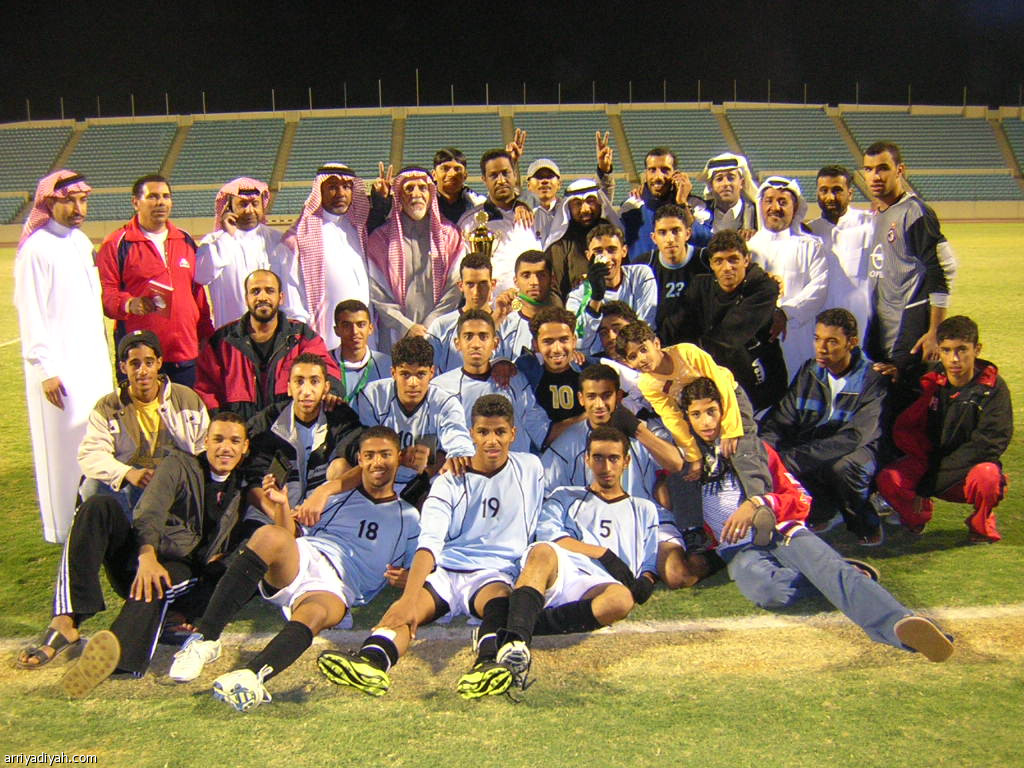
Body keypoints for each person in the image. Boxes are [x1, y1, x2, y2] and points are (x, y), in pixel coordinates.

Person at [667, 377, 954, 663]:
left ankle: (899, 625)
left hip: (781, 531)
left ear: (724, 410)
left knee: (830, 570)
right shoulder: (685, 461)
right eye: (696, 414)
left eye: (711, 411)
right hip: (738, 549)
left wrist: (760, 504)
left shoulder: (752, 448)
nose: (706, 421)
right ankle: (838, 574)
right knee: (767, 591)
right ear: (686, 419)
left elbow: (800, 498)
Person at [166, 427, 420, 712]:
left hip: (338, 586)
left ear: (398, 457)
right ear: (359, 459)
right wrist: (282, 505)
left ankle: (252, 676)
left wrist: (407, 577)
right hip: (306, 556)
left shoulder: (409, 518)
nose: (377, 462)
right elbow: (291, 535)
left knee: (316, 614)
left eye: (385, 455)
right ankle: (206, 639)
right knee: (268, 535)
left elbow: (418, 568)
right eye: (369, 455)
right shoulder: (337, 498)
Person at [316, 394, 545, 699]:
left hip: (494, 574)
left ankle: (487, 663)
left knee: (500, 602)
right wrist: (408, 597)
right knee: (409, 609)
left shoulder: (531, 468)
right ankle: (372, 660)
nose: (492, 440)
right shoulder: (449, 481)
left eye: (500, 432)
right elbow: (429, 543)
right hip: (448, 570)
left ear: (513, 434)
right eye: (483, 432)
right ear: (471, 434)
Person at [20, 413, 251, 695]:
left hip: (183, 569)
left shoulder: (244, 486)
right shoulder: (180, 465)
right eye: (218, 439)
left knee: (158, 582)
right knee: (97, 507)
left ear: (245, 447)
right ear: (205, 441)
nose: (225, 448)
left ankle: (113, 657)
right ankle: (66, 620)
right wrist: (146, 556)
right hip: (142, 554)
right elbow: (150, 511)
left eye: (234, 441)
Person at [488, 425, 659, 688]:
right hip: (564, 569)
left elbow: (649, 564)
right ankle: (516, 642)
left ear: (626, 461)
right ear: (586, 459)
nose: (606, 466)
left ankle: (519, 625)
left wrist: (645, 581)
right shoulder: (565, 496)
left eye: (613, 458)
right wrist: (603, 554)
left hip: (599, 585)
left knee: (622, 600)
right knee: (542, 552)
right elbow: (550, 536)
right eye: (598, 457)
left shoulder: (644, 509)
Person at [14, 169, 112, 542]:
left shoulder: (81, 242)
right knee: (61, 452)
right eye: (69, 200)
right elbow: (31, 313)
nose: (78, 208)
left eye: (83, 200)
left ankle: (93, 520)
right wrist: (46, 370)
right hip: (60, 372)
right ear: (49, 202)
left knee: (94, 441)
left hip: (92, 365)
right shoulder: (36, 249)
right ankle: (61, 528)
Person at [875, 316, 1011, 543]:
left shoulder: (993, 388)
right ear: (939, 350)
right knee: (889, 479)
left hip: (967, 470)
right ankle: (916, 517)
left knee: (988, 478)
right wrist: (894, 374)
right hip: (927, 463)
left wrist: (932, 480)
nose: (954, 359)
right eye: (946, 350)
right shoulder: (928, 379)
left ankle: (981, 523)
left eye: (962, 350)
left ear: (977, 349)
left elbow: (989, 443)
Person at [760, 309, 887, 545]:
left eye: (832, 341)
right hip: (813, 446)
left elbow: (855, 436)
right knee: (772, 453)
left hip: (860, 450)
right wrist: (765, 449)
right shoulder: (809, 370)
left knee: (843, 467)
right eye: (817, 339)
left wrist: (792, 458)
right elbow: (782, 417)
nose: (822, 348)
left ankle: (866, 524)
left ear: (852, 343)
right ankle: (820, 511)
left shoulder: (871, 378)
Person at [97, 174, 213, 387]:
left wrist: (206, 331)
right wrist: (129, 303)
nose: (161, 202)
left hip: (185, 352)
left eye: (166, 196)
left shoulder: (184, 239)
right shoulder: (116, 243)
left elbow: (197, 292)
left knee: (186, 408)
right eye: (152, 196)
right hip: (141, 357)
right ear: (136, 202)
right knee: (141, 409)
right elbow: (107, 296)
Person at [78, 330, 210, 514]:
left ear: (159, 363)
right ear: (123, 367)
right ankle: (123, 528)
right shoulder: (107, 406)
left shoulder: (186, 398)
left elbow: (203, 445)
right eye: (135, 364)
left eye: (149, 362)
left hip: (175, 481)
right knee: (91, 487)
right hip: (131, 482)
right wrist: (127, 473)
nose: (143, 371)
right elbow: (91, 454)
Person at [862, 141, 957, 385]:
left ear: (900, 170)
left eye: (883, 168)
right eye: (869, 169)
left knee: (908, 397)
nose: (875, 176)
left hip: (908, 331)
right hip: (883, 328)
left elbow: (943, 268)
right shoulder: (879, 215)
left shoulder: (914, 212)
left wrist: (935, 331)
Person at [195, 270, 341, 420]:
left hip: (290, 430)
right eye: (255, 291)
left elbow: (325, 368)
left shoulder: (301, 336)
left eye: (269, 291)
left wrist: (332, 391)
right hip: (239, 430)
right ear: (246, 298)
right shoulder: (222, 341)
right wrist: (221, 422)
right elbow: (206, 389)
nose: (262, 297)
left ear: (281, 298)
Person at [672, 230, 786, 411]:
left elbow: (729, 337)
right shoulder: (701, 285)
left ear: (746, 260)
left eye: (733, 259)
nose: (727, 267)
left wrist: (689, 361)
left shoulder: (764, 288)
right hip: (712, 377)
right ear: (711, 264)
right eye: (719, 261)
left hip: (758, 383)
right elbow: (678, 327)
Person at [613, 321, 746, 475]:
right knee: (714, 464)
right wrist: (693, 456)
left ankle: (756, 488)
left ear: (656, 343)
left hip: (731, 400)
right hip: (698, 416)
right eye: (633, 356)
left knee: (744, 453)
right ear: (627, 363)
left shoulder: (687, 353)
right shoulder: (648, 384)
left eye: (644, 350)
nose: (641, 358)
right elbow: (672, 418)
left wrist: (731, 428)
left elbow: (722, 385)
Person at [244, 353, 362, 523]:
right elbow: (252, 483)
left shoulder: (340, 418)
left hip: (320, 514)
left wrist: (323, 492)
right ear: (288, 388)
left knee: (341, 465)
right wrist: (283, 519)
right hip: (271, 513)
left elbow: (364, 465)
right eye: (299, 382)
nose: (306, 391)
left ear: (326, 387)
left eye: (314, 381)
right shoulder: (268, 420)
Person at [351, 336, 475, 496]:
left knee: (459, 471)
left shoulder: (446, 403)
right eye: (405, 374)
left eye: (421, 374)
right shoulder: (372, 396)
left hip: (427, 482)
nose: (413, 383)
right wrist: (400, 457)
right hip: (377, 476)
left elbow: (457, 437)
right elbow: (363, 449)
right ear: (393, 372)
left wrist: (459, 453)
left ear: (432, 372)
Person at [542, 364, 683, 500]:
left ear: (619, 396)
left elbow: (676, 464)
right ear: (581, 399)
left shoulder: (643, 430)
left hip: (640, 513)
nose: (599, 404)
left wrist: (637, 430)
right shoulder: (568, 441)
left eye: (606, 395)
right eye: (591, 396)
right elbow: (545, 491)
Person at [366, 167, 465, 351]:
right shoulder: (380, 239)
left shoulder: (451, 236)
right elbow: (377, 293)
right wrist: (407, 327)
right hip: (395, 335)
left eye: (422, 188)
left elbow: (455, 288)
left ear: (431, 194)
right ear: (399, 196)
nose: (416, 194)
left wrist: (430, 326)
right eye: (409, 188)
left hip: (440, 332)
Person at [433, 310, 550, 453]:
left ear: (495, 343)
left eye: (483, 336)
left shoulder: (515, 379)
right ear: (457, 343)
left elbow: (540, 430)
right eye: (468, 336)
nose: (476, 344)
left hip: (513, 466)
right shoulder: (440, 388)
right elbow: (431, 443)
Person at [283, 163, 371, 351]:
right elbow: (291, 296)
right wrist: (303, 339)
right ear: (319, 191)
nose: (341, 193)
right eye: (332, 187)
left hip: (363, 340)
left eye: (346, 186)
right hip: (322, 340)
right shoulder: (298, 238)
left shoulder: (357, 230)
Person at [748, 176, 828, 380]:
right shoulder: (747, 249)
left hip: (798, 335)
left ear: (795, 208)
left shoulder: (811, 246)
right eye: (769, 201)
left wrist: (785, 313)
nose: (775, 208)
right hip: (758, 338)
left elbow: (819, 288)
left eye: (782, 202)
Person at [195, 177, 297, 328]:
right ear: (229, 208)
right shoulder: (213, 242)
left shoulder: (278, 240)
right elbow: (201, 276)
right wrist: (227, 236)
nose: (249, 210)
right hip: (230, 333)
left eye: (255, 204)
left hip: (274, 334)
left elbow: (290, 292)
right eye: (242, 204)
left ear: (263, 206)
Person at [805, 166, 874, 345]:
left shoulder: (870, 224)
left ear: (850, 193)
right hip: (821, 322)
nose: (830, 197)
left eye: (837, 190)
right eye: (824, 190)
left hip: (862, 320)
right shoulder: (809, 232)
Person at [566, 223, 658, 356]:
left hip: (637, 353)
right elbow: (579, 343)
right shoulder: (577, 296)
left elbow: (646, 326)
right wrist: (596, 298)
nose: (606, 257)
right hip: (599, 359)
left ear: (624, 251)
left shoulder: (641, 275)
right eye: (598, 251)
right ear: (588, 255)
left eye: (612, 250)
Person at [458, 149, 542, 292]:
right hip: (492, 304)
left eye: (505, 173)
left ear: (514, 175)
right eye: (493, 175)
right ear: (484, 179)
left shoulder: (536, 214)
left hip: (531, 303)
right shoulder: (469, 222)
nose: (501, 180)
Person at [632, 203, 710, 344]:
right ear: (654, 238)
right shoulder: (642, 266)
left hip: (703, 344)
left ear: (688, 234)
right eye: (662, 232)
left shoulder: (706, 260)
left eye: (676, 231)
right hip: (660, 345)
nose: (670, 239)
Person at [543, 178, 623, 298]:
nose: (585, 209)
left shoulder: (614, 236)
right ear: (568, 208)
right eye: (577, 204)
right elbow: (554, 290)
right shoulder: (561, 245)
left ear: (600, 203)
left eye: (590, 201)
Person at [621, 147, 710, 252]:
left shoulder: (695, 204)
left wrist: (682, 203)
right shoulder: (631, 206)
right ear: (646, 174)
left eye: (665, 170)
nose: (658, 176)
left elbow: (706, 241)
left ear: (676, 174)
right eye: (652, 170)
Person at [515, 307, 588, 425]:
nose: (557, 349)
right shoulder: (525, 370)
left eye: (564, 339)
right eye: (548, 341)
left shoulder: (590, 369)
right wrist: (500, 362)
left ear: (574, 341)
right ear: (535, 345)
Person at [426, 252, 497, 373]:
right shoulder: (441, 326)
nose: (476, 292)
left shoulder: (508, 326)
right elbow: (427, 371)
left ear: (493, 284)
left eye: (483, 284)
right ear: (460, 286)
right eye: (470, 284)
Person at [494, 250, 564, 360]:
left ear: (552, 279)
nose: (534, 282)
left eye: (541, 275)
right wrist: (497, 316)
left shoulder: (565, 325)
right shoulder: (505, 324)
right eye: (526, 276)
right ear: (515, 281)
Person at [331, 299, 393, 402]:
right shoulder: (323, 364)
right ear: (336, 330)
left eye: (361, 325)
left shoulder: (387, 365)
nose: (355, 331)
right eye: (346, 325)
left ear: (370, 328)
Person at [695, 152, 759, 235]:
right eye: (719, 179)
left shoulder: (757, 215)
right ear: (711, 185)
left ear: (742, 183)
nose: (725, 184)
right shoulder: (700, 212)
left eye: (731, 178)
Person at [432, 148, 486, 226]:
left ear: (465, 175)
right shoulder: (426, 205)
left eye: (457, 169)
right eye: (445, 169)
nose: (452, 174)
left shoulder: (479, 205)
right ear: (434, 175)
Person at [524, 158, 562, 245]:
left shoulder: (568, 211)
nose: (544, 181)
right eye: (539, 177)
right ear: (528, 185)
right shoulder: (522, 215)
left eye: (550, 176)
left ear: (559, 184)